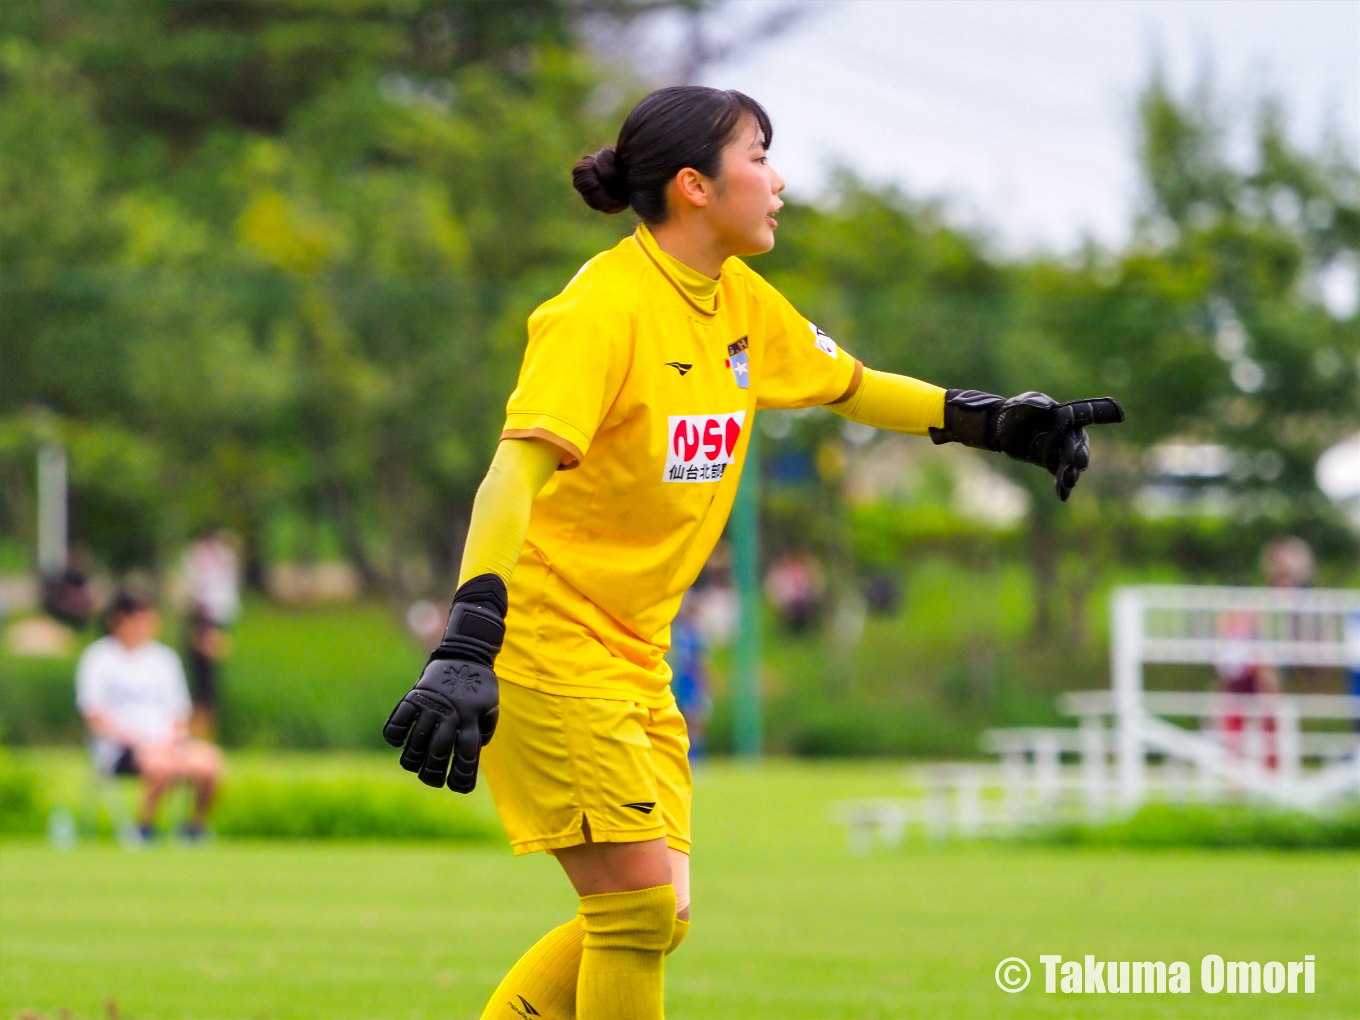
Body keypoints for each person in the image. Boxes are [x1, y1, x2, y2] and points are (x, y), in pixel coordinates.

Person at [382, 86, 1123, 1020]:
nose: (779, 181)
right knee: (638, 907)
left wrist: (993, 422)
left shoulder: (736, 300)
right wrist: (465, 643)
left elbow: (850, 385)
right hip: (544, 644)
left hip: (635, 659)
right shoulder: (600, 311)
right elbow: (509, 480)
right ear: (695, 185)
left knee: (660, 911)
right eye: (761, 156)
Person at [77, 592, 223, 842]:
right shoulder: (99, 658)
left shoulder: (164, 659)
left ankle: (193, 829)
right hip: (121, 747)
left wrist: (174, 738)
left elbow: (180, 711)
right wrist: (138, 740)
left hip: (166, 742)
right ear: (120, 620)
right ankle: (143, 827)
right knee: (160, 766)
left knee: (210, 764)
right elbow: (94, 715)